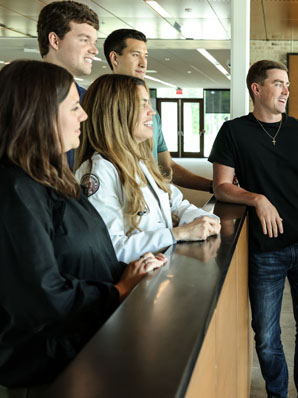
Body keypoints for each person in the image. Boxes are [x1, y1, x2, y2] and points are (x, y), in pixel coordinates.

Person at [0, 60, 166, 391]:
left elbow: (83, 254)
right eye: (75, 106)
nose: (84, 116)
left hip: (81, 347)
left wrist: (126, 270)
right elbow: (40, 295)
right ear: (40, 112)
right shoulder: (15, 189)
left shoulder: (54, 178)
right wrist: (118, 290)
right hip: (43, 369)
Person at [209, 60, 298, 398]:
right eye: (278, 83)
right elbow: (220, 186)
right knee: (265, 333)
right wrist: (257, 198)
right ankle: (277, 393)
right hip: (265, 251)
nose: (286, 90)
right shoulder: (233, 132)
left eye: (287, 84)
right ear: (256, 89)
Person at [74, 74, 220, 263]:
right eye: (142, 104)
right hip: (134, 286)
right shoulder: (99, 171)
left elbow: (175, 203)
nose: (152, 112)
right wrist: (177, 233)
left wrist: (205, 219)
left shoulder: (141, 161)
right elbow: (111, 248)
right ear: (116, 111)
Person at [103, 28, 213, 192]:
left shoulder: (151, 114)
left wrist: (213, 186)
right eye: (135, 55)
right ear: (114, 58)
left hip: (151, 201)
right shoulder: (98, 108)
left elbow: (166, 167)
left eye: (145, 56)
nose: (143, 63)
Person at [37, 0, 100, 168]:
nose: (94, 50)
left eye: (94, 42)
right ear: (55, 41)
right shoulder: (18, 97)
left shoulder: (88, 100)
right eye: (84, 40)